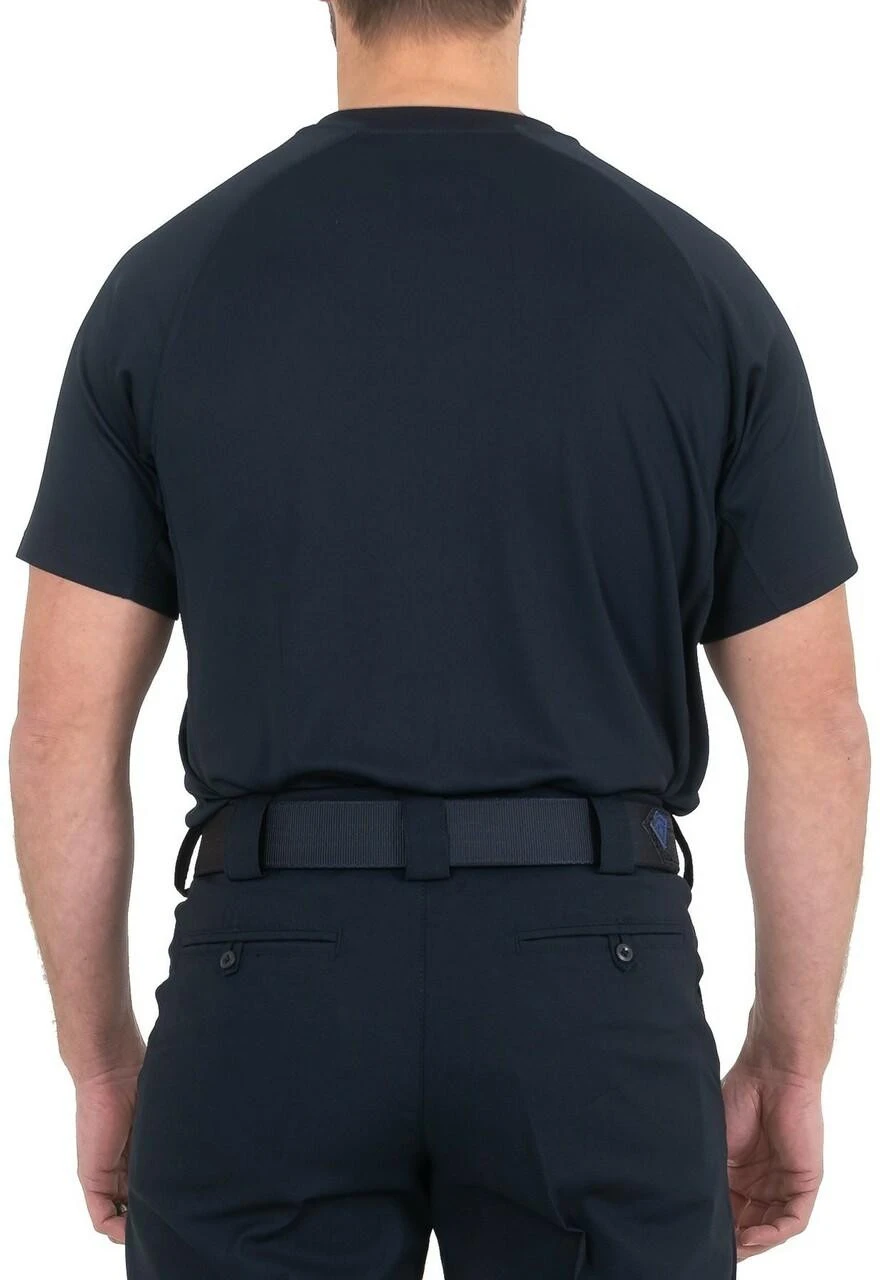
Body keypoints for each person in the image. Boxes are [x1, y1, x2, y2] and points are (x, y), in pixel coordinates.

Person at [10, 1, 868, 1276]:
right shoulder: (696, 289)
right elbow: (817, 732)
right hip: (590, 989)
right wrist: (789, 1061)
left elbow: (59, 732)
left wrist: (101, 1059)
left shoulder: (171, 284)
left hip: (272, 984)